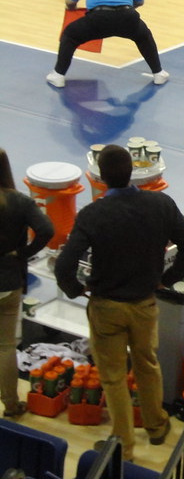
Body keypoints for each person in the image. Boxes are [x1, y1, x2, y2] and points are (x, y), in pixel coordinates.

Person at [54, 145, 184, 462]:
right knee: (148, 364)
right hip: (145, 304)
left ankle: (123, 447)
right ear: (131, 171)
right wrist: (168, 278)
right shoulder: (160, 204)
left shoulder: (92, 214)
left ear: (100, 178)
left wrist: (74, 289)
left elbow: (64, 265)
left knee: (113, 377)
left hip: (106, 306)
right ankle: (157, 427)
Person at [0, 148, 54, 419]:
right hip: (8, 280)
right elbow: (47, 230)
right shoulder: (20, 202)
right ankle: (11, 405)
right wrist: (23, 254)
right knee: (6, 346)